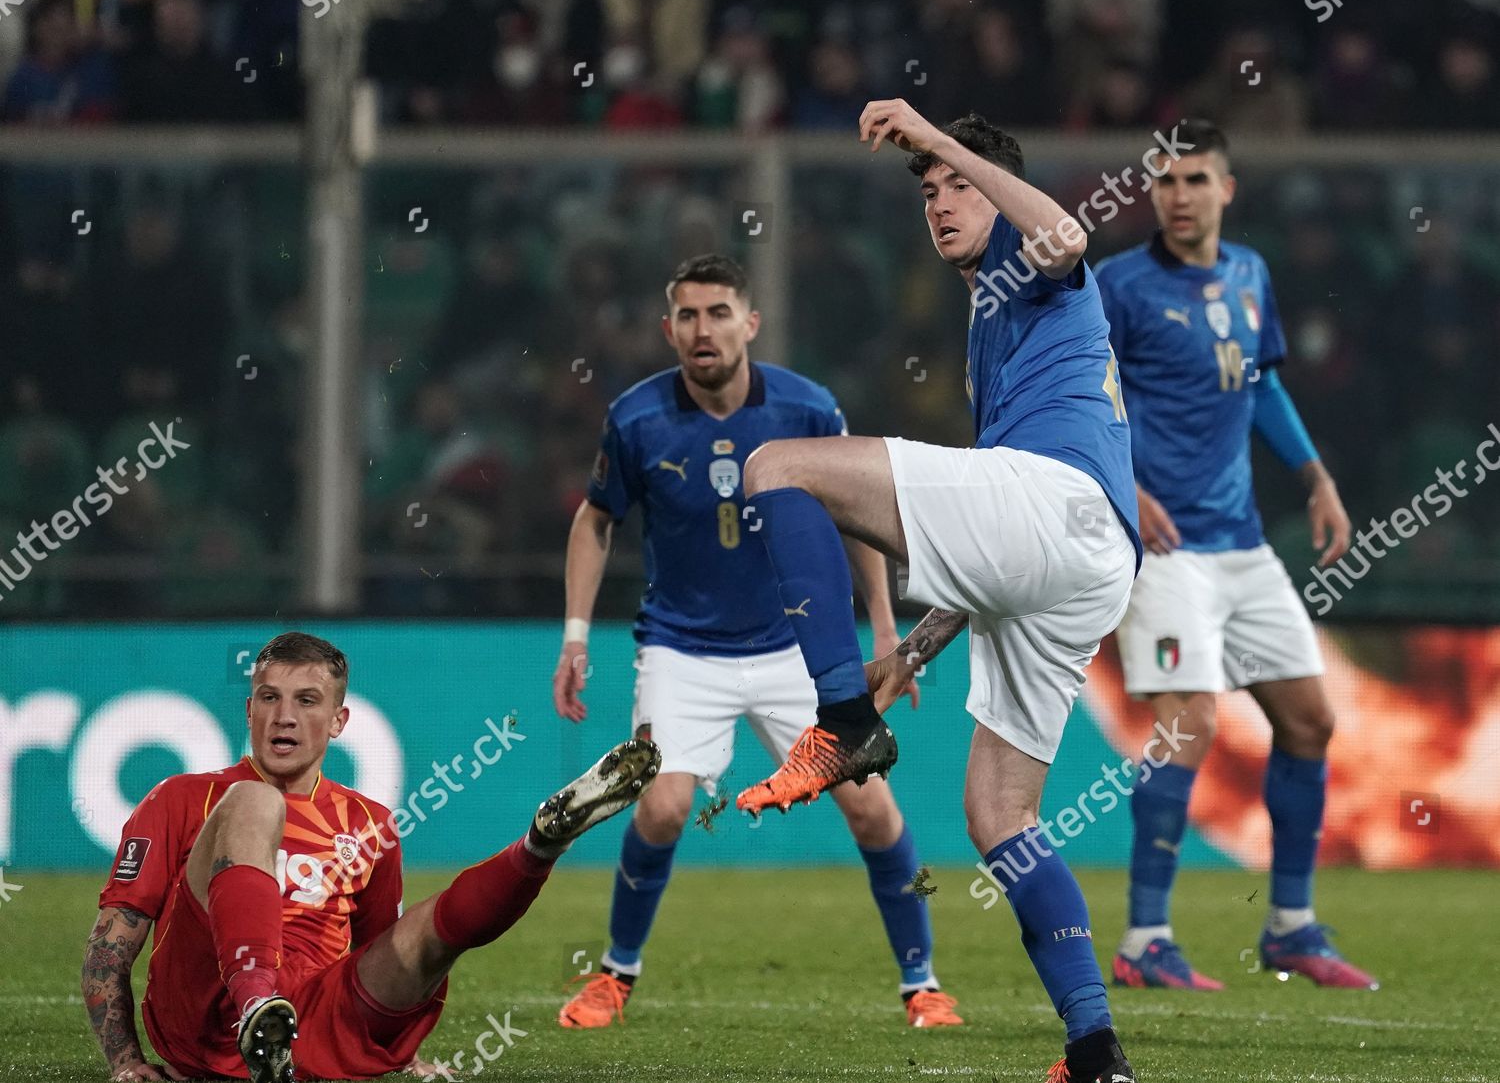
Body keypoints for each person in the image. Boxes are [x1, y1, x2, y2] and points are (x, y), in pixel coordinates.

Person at [734, 104, 1141, 1083]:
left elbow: (1069, 235)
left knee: (776, 466)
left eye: (957, 184)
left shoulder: (1037, 265)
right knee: (999, 815)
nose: (941, 200)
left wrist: (941, 136)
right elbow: (999, 536)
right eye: (927, 190)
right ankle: (1097, 1051)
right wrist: (911, 651)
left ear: (995, 186)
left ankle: (839, 722)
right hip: (1086, 559)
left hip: (1063, 507)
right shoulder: (990, 324)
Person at [552, 253, 962, 1029]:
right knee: (664, 808)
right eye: (687, 316)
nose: (702, 330)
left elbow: (858, 515)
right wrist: (575, 635)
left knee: (874, 812)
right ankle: (616, 974)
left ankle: (923, 984)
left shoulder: (808, 410)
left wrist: (883, 626)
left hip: (794, 653)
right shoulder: (636, 418)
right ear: (668, 328)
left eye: (717, 313)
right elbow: (596, 517)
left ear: (750, 322)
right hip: (681, 649)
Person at [82, 631, 660, 1083]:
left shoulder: (369, 824)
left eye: (307, 701)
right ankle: (258, 1007)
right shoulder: (183, 798)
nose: (284, 716)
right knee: (254, 800)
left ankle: (539, 845)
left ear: (338, 723)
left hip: (314, 1027)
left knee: (428, 933)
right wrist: (124, 1061)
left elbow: (385, 956)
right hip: (203, 1018)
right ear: (249, 711)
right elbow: (110, 945)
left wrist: (399, 1053)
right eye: (269, 698)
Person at [1093, 118, 1377, 992]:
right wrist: (1126, 488)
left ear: (1227, 188)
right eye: (1165, 182)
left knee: (1309, 721)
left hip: (1242, 543)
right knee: (1192, 724)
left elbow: (1263, 385)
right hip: (1165, 545)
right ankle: (1145, 939)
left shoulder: (1251, 274)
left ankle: (1290, 927)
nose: (1178, 197)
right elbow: (1082, 391)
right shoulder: (1119, 286)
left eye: (1195, 180)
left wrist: (1318, 478)